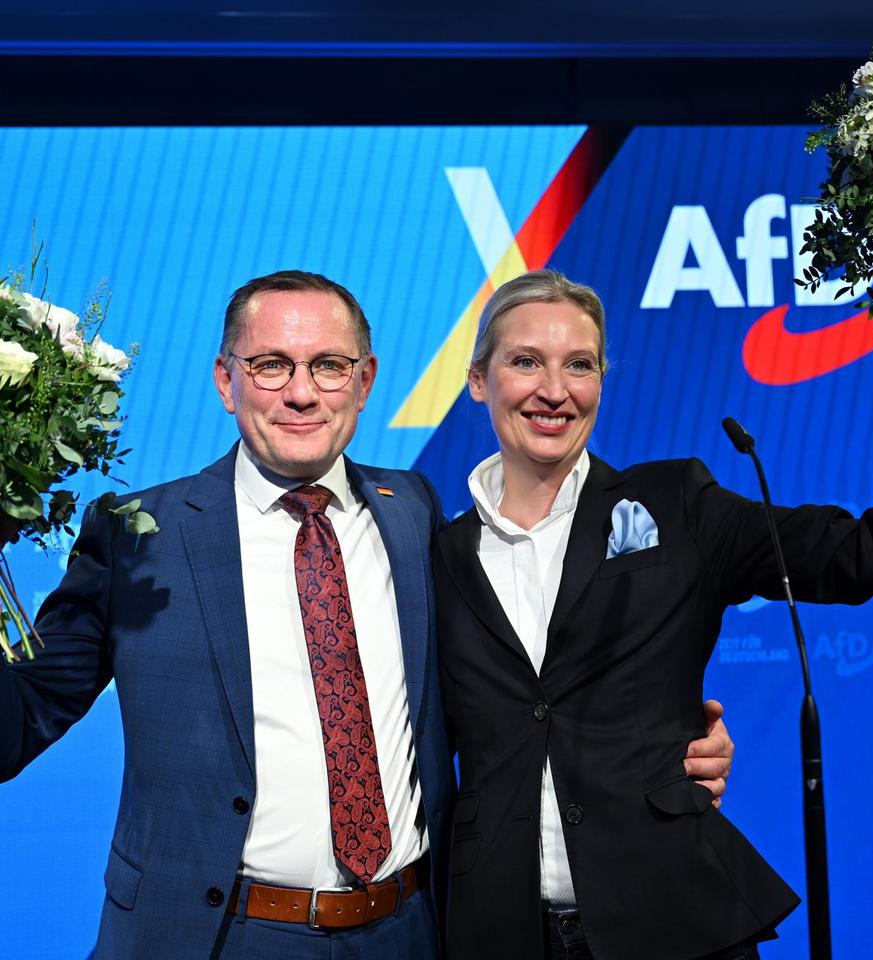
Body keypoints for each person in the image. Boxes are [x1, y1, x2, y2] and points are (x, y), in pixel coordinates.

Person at [0, 269, 734, 960]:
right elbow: (21, 718)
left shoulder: (413, 512)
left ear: (365, 381)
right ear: (226, 380)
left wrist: (659, 744)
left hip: (408, 931)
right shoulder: (138, 534)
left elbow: (517, 692)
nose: (302, 394)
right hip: (217, 936)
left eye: (329, 366)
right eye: (271, 365)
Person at [433, 269, 873, 960]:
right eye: (526, 361)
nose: (554, 390)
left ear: (602, 381)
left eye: (580, 365)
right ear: (478, 380)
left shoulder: (680, 505)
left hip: (674, 919)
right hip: (497, 933)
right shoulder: (434, 554)